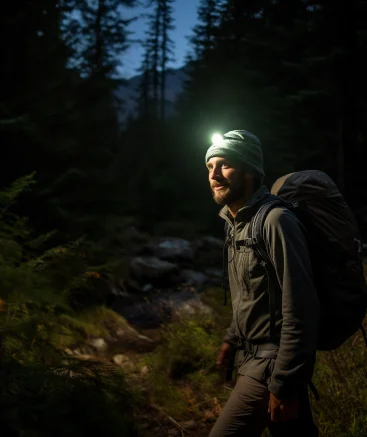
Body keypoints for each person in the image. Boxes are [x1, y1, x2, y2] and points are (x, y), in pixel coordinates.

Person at [206, 130, 319, 437]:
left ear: (250, 171)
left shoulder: (275, 221)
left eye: (225, 165)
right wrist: (231, 338)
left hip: (270, 364)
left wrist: (285, 383)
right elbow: (248, 293)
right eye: (209, 166)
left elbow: (300, 306)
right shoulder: (235, 222)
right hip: (251, 357)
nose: (214, 174)